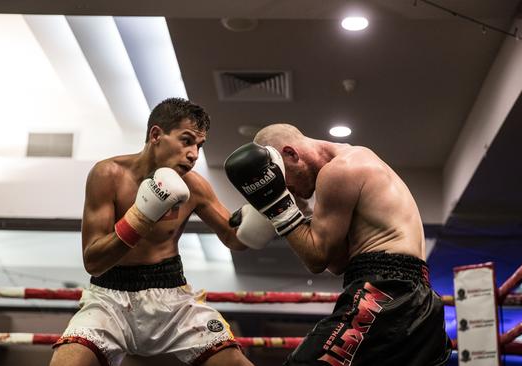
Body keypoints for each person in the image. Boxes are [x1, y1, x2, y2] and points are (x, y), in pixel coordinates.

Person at [50, 98, 259, 366]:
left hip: (173, 298)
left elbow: (234, 237)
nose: (194, 153)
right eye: (186, 140)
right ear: (156, 135)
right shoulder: (108, 174)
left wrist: (265, 216)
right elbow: (94, 262)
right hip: (109, 298)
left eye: (199, 145)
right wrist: (142, 216)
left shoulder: (195, 187)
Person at [224, 123, 452, 366]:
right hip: (415, 299)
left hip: (385, 293)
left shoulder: (339, 171)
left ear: (290, 154)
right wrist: (298, 212)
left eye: (282, 181)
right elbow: (338, 262)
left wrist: (278, 206)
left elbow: (316, 259)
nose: (288, 190)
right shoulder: (354, 162)